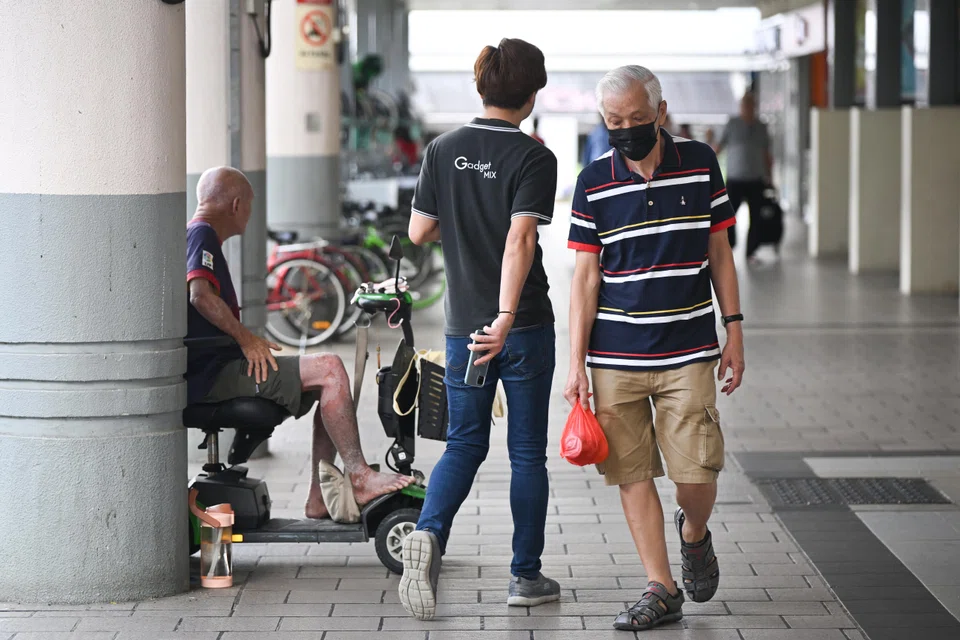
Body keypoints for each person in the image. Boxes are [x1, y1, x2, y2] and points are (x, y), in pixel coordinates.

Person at [565, 65, 745, 631]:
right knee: (631, 473)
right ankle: (660, 588)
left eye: (638, 120)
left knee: (697, 474)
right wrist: (575, 363)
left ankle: (694, 534)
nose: (626, 129)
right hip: (615, 356)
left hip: (689, 348)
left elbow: (719, 252)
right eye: (614, 121)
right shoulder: (593, 181)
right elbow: (585, 278)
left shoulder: (700, 163)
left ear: (661, 113)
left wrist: (734, 327)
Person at [398, 38, 560, 621]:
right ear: (533, 93)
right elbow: (520, 238)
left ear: (481, 86)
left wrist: (466, 229)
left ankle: (430, 534)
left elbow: (420, 232)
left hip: (464, 327)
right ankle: (525, 576)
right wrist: (508, 317)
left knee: (465, 443)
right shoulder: (535, 158)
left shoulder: (443, 148)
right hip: (522, 327)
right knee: (526, 455)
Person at [186, 167, 413, 520]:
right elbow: (200, 296)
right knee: (330, 368)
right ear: (236, 205)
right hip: (216, 373)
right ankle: (359, 476)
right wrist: (248, 341)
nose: (250, 213)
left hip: (218, 366)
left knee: (324, 380)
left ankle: (319, 499)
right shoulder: (200, 234)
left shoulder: (202, 236)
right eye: (249, 205)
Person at [714, 91, 773, 260]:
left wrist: (770, 177)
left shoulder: (761, 127)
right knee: (728, 216)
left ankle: (751, 252)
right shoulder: (732, 124)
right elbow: (718, 148)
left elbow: (766, 154)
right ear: (740, 107)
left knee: (757, 217)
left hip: (756, 179)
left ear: (755, 107)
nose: (748, 108)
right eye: (744, 105)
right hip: (735, 180)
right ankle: (729, 246)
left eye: (751, 105)